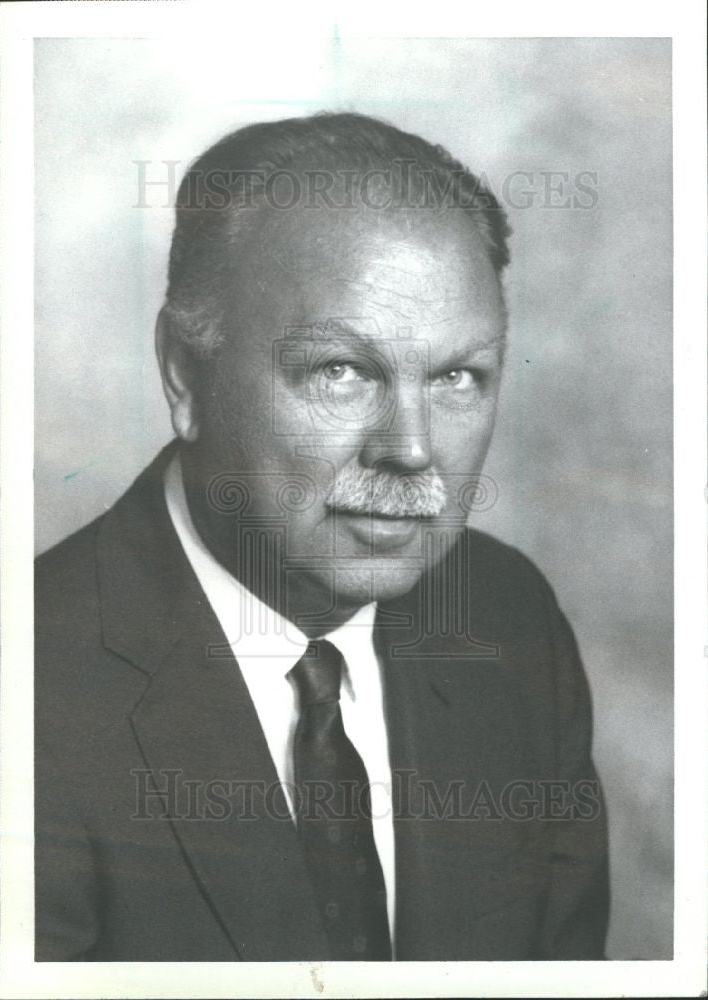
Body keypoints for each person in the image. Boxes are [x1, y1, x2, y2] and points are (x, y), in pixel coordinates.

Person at [35, 112, 609, 961]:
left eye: (456, 376)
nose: (410, 449)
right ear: (184, 375)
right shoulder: (32, 688)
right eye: (340, 372)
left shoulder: (509, 618)